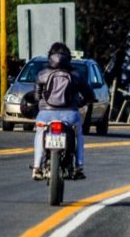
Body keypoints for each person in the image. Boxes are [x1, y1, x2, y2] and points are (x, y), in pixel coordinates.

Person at [30, 42, 96, 181]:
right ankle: (78, 166)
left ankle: (36, 168)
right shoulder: (76, 75)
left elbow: (37, 97)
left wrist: (42, 104)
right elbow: (89, 95)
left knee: (40, 131)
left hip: (46, 115)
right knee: (78, 134)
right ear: (68, 58)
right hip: (70, 115)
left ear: (50, 57)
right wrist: (82, 103)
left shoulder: (42, 74)